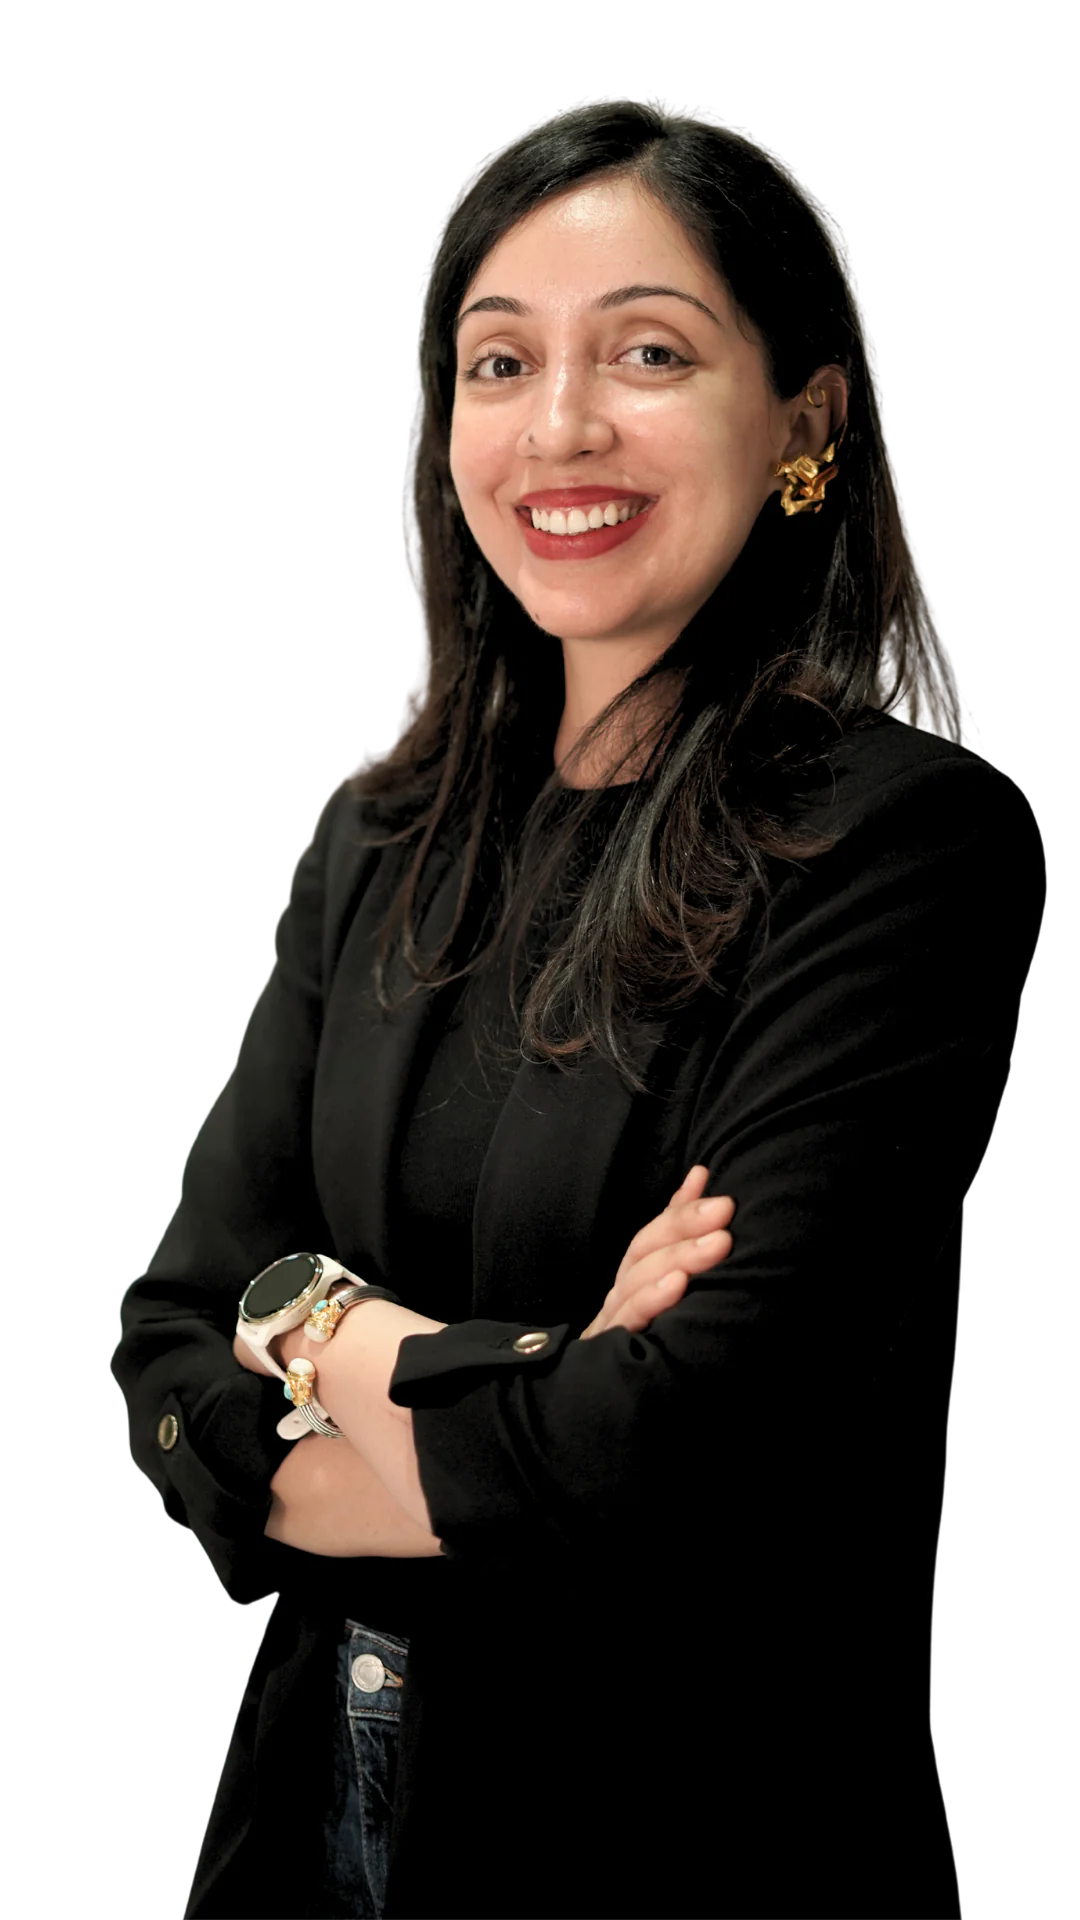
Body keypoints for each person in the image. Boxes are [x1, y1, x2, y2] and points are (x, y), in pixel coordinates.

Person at [111, 102, 1042, 1917]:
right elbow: (165, 1343)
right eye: (500, 361)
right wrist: (540, 1372)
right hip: (319, 1818)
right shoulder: (380, 838)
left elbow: (683, 1450)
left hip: (679, 1837)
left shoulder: (904, 848)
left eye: (649, 353)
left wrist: (315, 1341)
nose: (559, 428)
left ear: (806, 423)